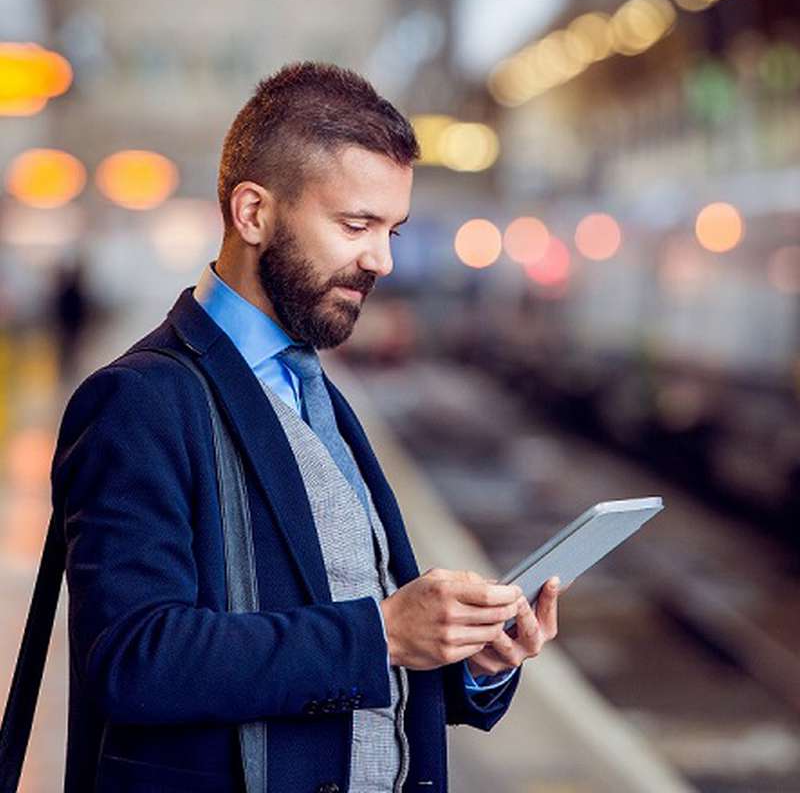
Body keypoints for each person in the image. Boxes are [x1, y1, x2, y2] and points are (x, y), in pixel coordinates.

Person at [51, 62, 560, 793]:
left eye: (391, 229)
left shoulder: (313, 385)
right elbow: (134, 660)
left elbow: (351, 647)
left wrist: (465, 661)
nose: (380, 259)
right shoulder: (139, 401)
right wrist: (381, 630)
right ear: (252, 213)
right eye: (356, 224)